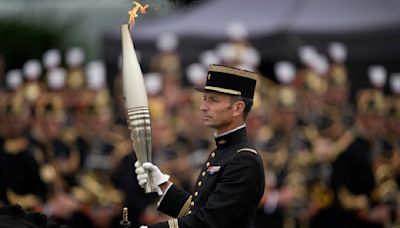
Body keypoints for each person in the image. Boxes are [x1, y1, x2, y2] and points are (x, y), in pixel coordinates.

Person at [135, 64, 265, 228]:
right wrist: (162, 185)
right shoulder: (222, 152)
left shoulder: (244, 160)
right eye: (205, 99)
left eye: (213, 100)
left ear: (238, 108)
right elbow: (197, 210)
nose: (203, 107)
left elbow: (210, 221)